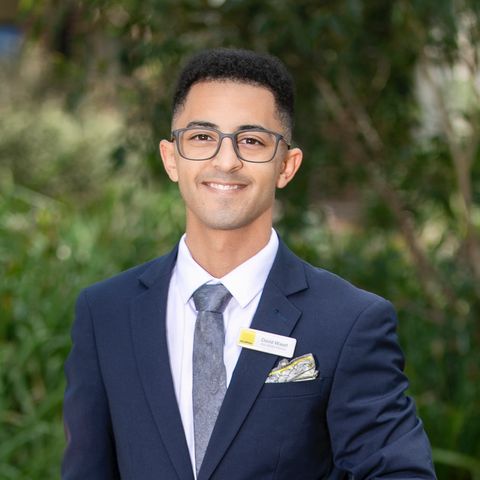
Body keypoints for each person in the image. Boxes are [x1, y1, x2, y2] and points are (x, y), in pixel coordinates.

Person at [62, 48, 437, 480]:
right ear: (171, 158)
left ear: (286, 166)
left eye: (252, 141)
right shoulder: (105, 313)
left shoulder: (349, 322)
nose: (226, 160)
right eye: (202, 137)